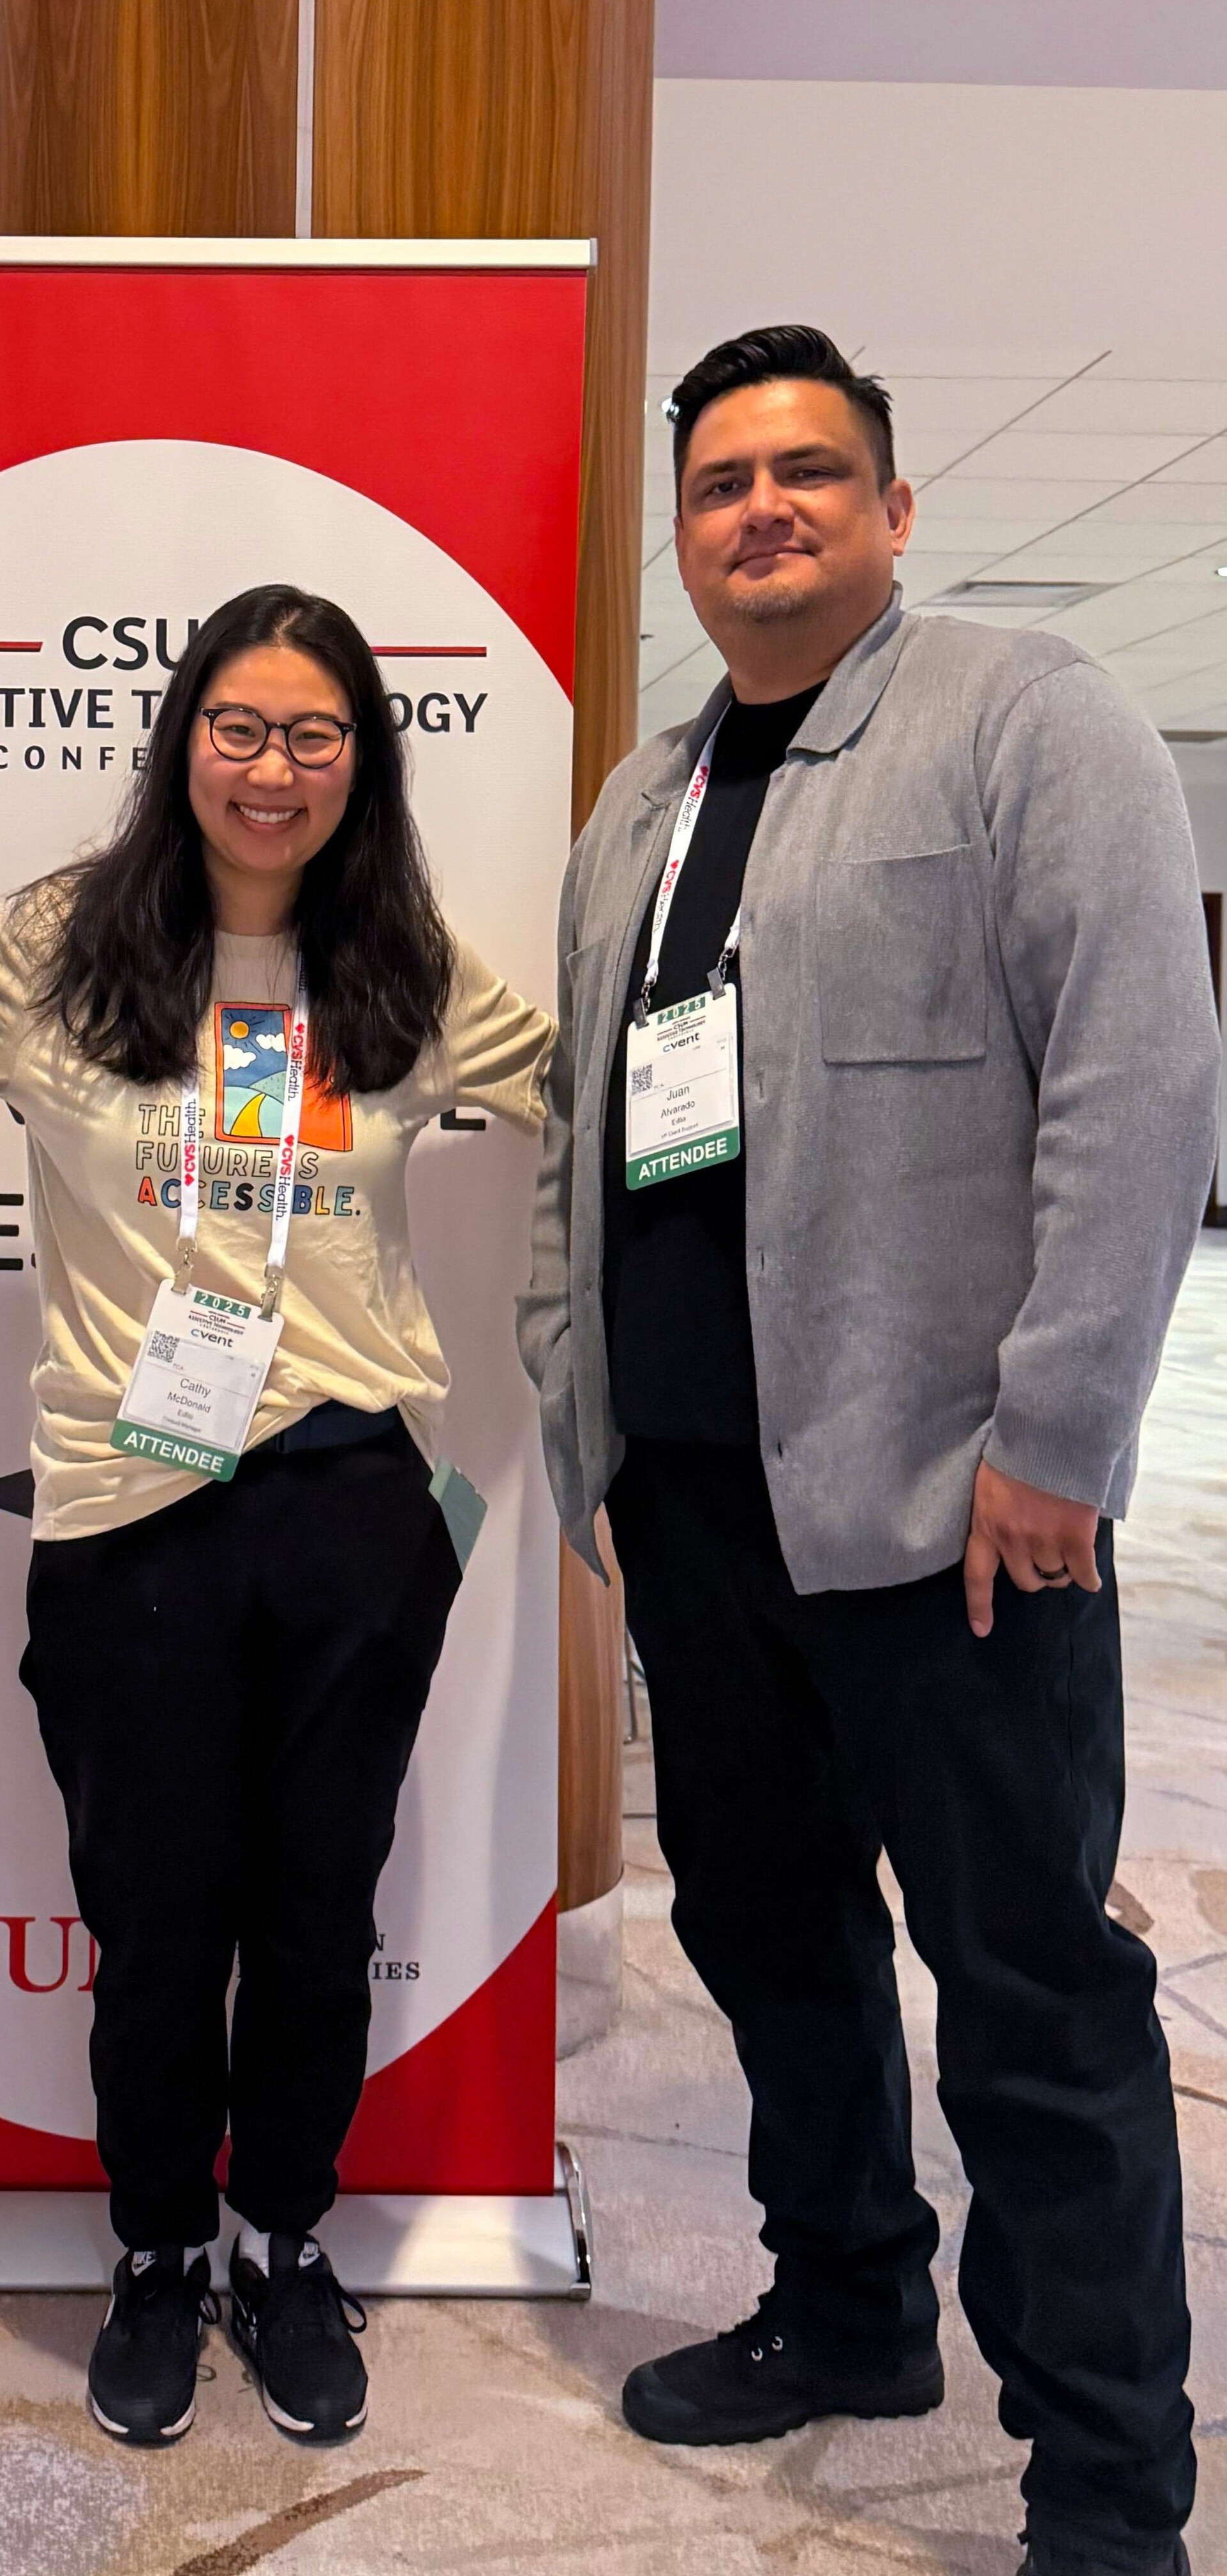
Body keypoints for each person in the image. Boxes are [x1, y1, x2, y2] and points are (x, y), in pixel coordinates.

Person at [520, 325, 1219, 2576]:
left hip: (955, 1511)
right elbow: (585, 1142)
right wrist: (591, 1437)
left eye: (808, 474)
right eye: (720, 484)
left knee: (1025, 1990)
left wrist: (1061, 1435)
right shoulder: (642, 798)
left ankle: (1106, 2479)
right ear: (686, 535)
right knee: (769, 1938)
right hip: (707, 1501)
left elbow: (1134, 1085)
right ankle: (844, 2311)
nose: (762, 513)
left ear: (893, 511)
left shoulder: (1029, 724)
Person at [0, 584, 551, 2448]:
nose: (273, 767)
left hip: (342, 1489)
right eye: (239, 726)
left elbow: (593, 1092)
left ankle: (277, 2240)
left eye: (316, 735)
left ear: (359, 763)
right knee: (152, 1917)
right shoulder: (53, 948)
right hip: (123, 1491)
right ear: (180, 740)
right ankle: (154, 2252)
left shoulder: (398, 963)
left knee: (316, 1909)